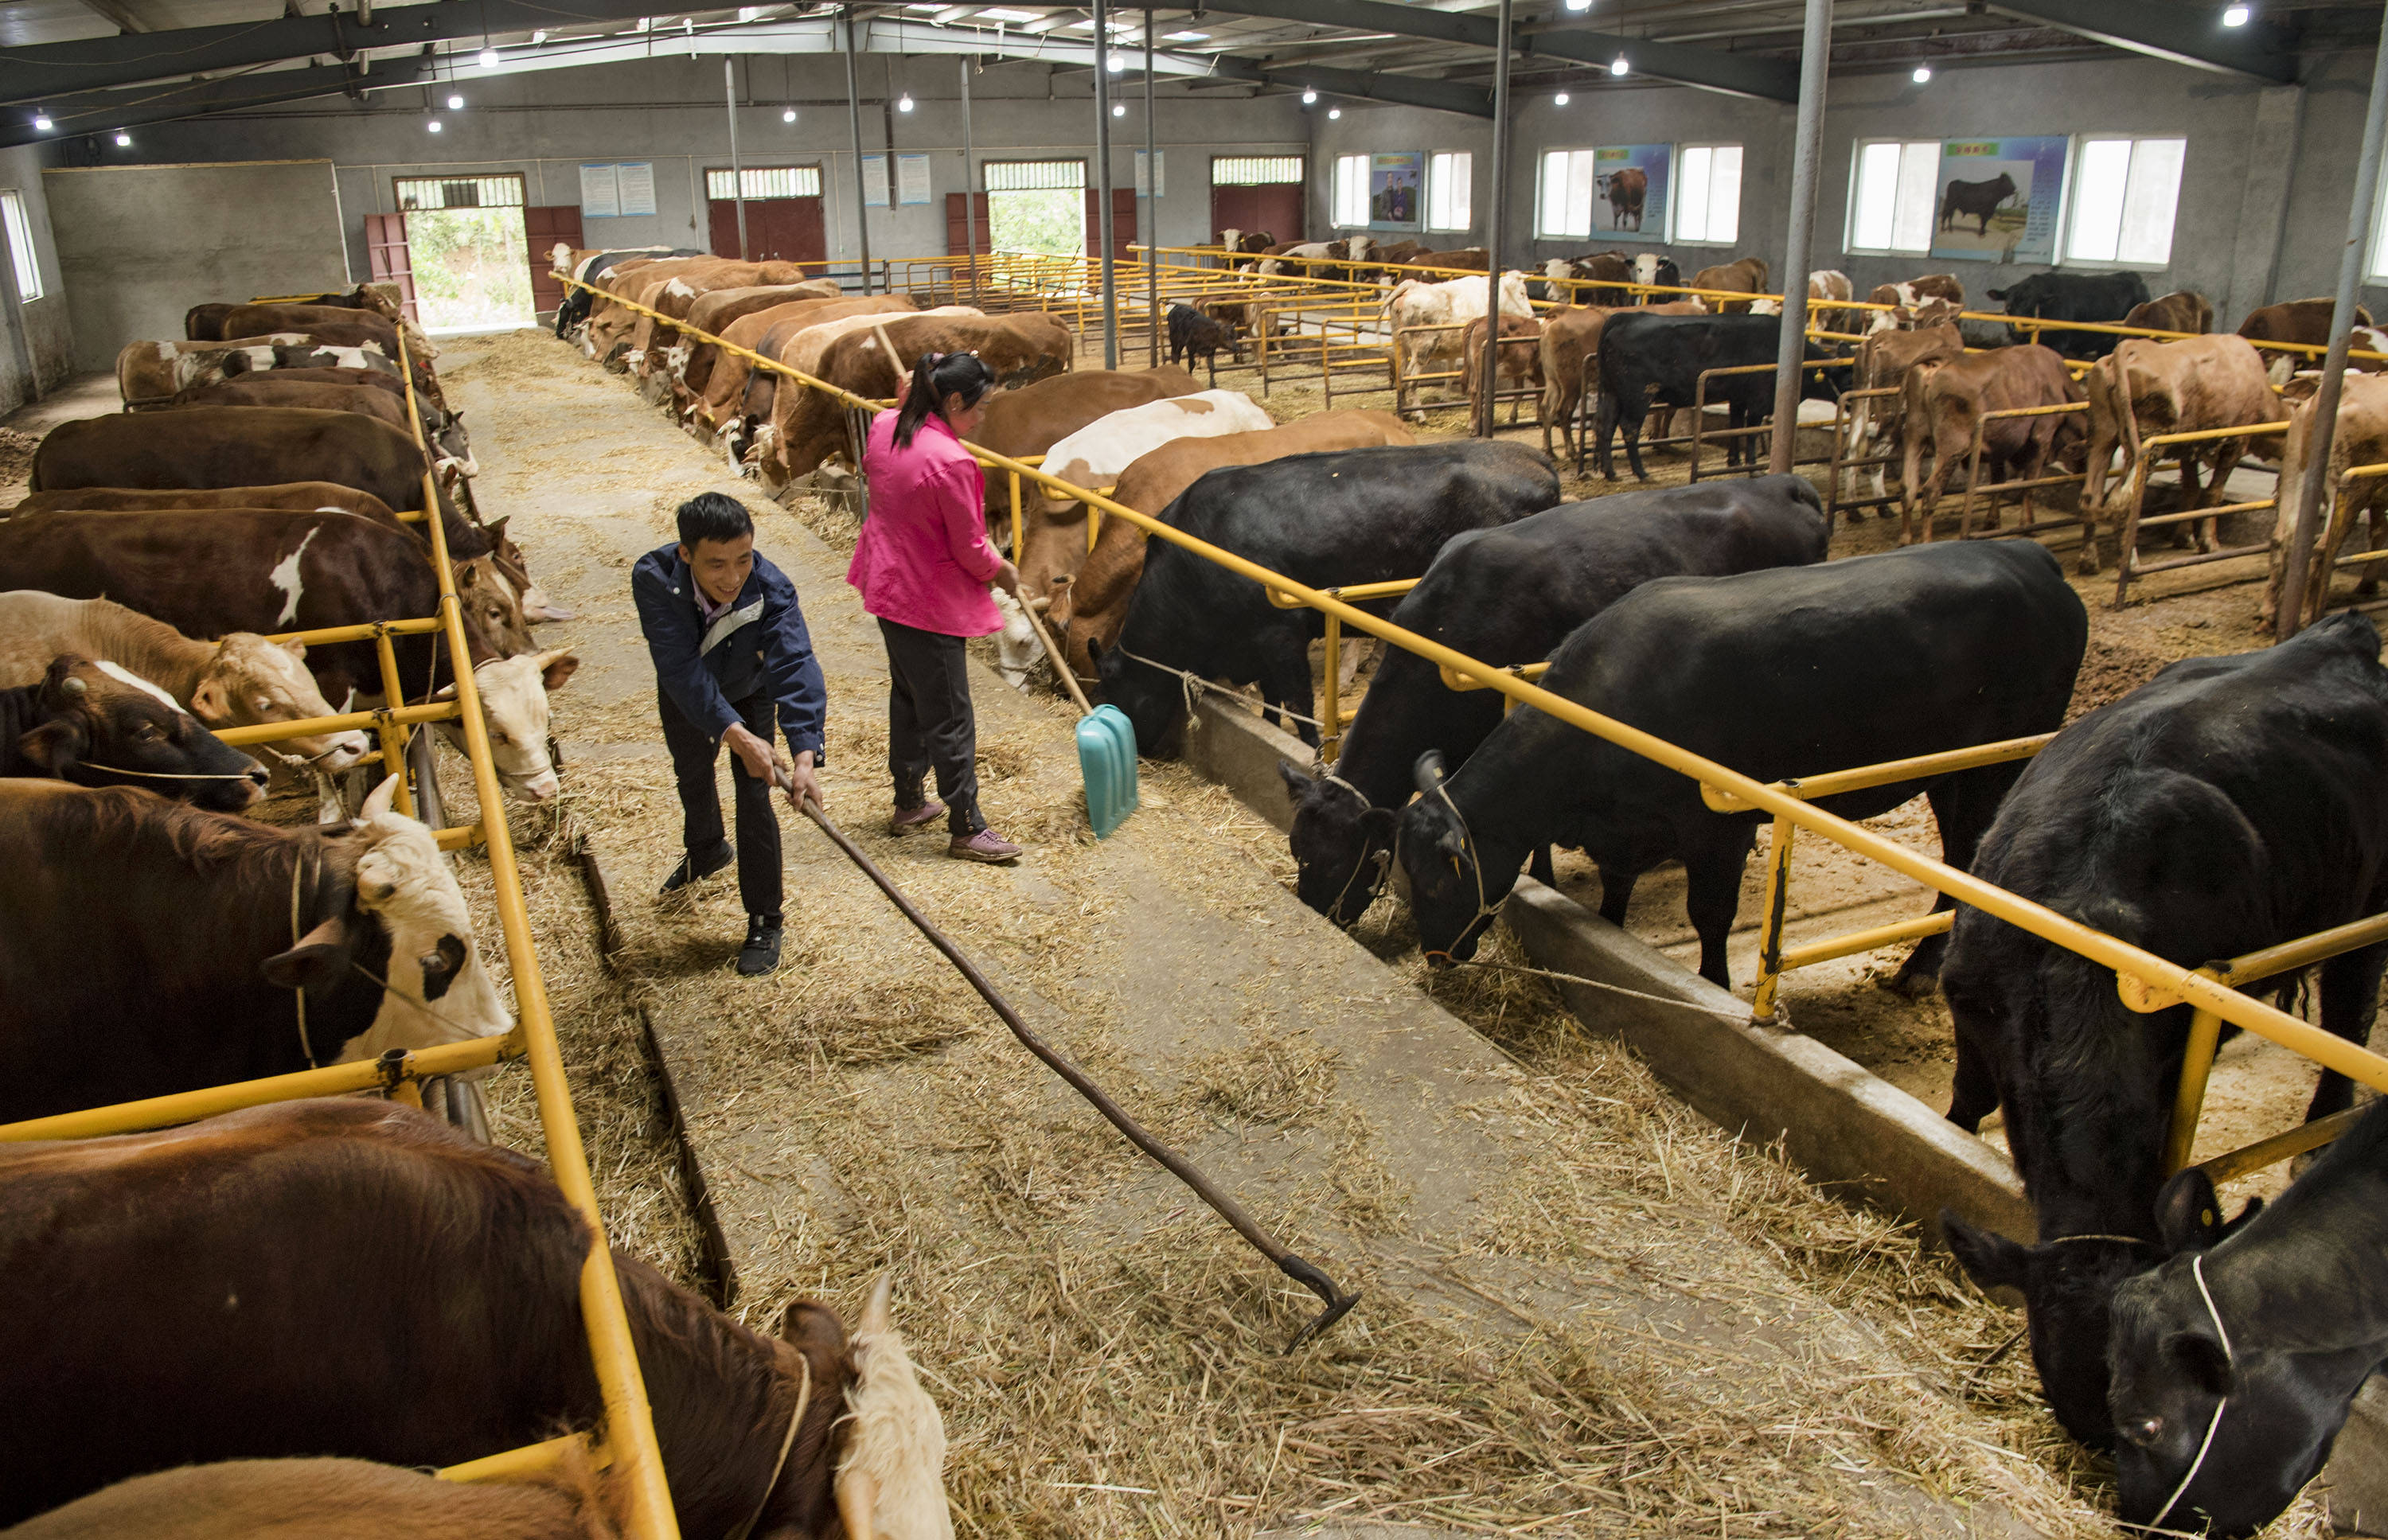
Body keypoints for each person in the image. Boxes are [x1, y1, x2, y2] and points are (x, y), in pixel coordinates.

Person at [632, 492, 826, 976]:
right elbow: (678, 666)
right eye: (716, 564)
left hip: (747, 687)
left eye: (743, 559)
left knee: (755, 792)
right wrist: (732, 734)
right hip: (687, 688)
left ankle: (765, 917)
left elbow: (795, 662)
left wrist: (804, 750)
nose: (733, 577)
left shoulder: (770, 587)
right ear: (686, 555)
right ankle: (707, 850)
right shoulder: (653, 578)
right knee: (692, 769)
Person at [848, 349, 1024, 863]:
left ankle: (908, 801)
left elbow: (902, 411)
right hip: (928, 597)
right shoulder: (951, 462)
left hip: (887, 582)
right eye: (981, 406)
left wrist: (911, 396)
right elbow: (971, 548)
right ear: (950, 399)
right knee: (948, 711)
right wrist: (1003, 571)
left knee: (909, 695)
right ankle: (967, 825)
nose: (984, 415)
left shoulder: (885, 427)